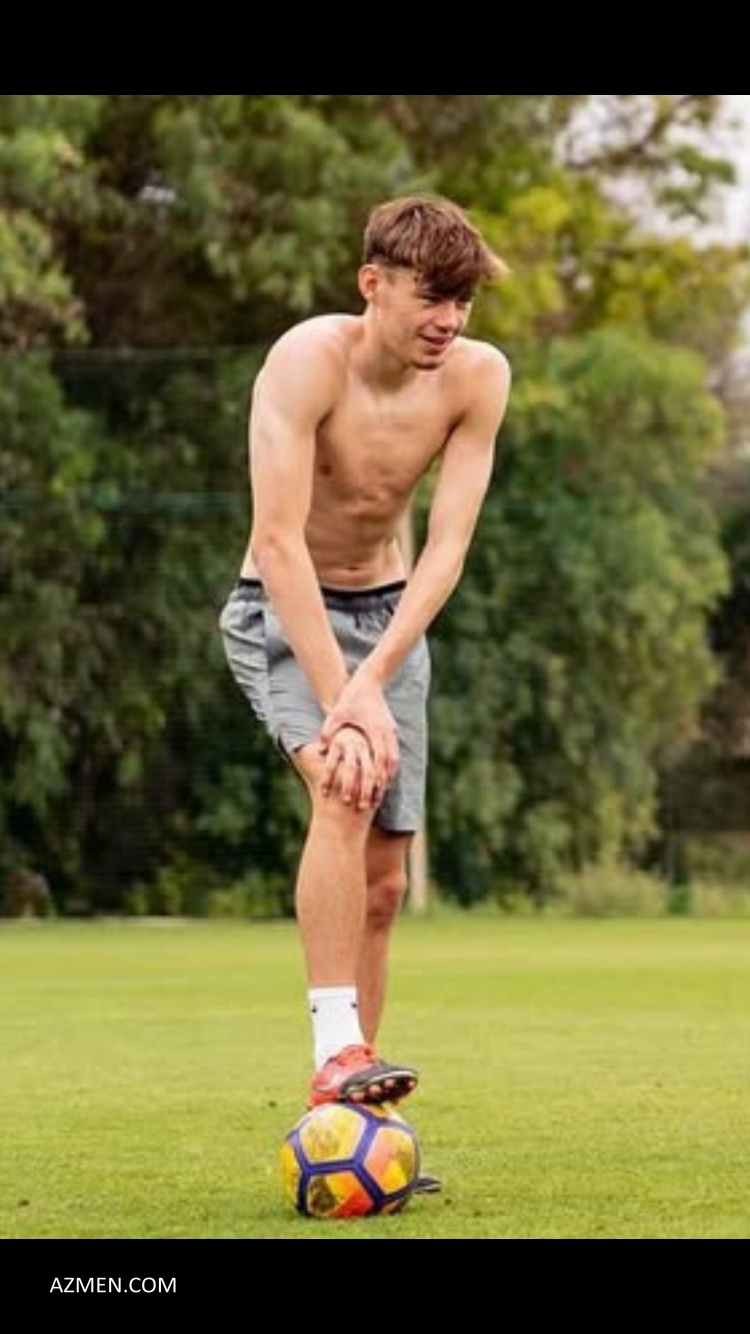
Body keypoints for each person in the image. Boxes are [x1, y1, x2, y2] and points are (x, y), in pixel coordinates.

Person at [219, 194, 511, 1129]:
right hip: (283, 609)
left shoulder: (478, 379)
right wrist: (345, 699)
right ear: (372, 283)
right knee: (343, 788)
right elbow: (277, 543)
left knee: (387, 881)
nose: (449, 319)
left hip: (389, 621)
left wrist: (375, 677)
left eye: (462, 300)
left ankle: (357, 1105)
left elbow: (446, 550)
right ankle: (333, 1050)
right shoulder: (306, 360)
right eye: (432, 296)